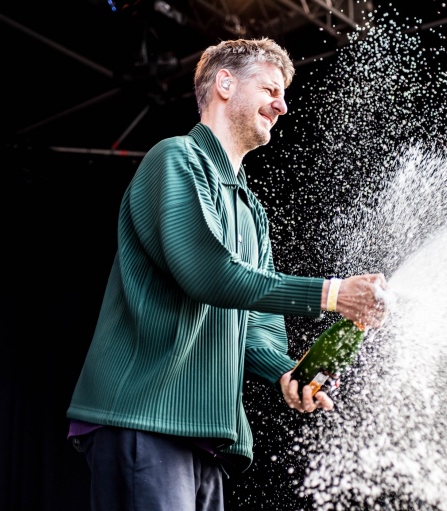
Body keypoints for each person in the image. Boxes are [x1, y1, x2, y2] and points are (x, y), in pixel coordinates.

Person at [65, 37, 388, 511]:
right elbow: (209, 273)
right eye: (270, 89)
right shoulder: (174, 159)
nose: (281, 106)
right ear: (224, 83)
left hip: (207, 437)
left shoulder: (252, 211)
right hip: (144, 416)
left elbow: (258, 332)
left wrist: (290, 373)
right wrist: (335, 293)